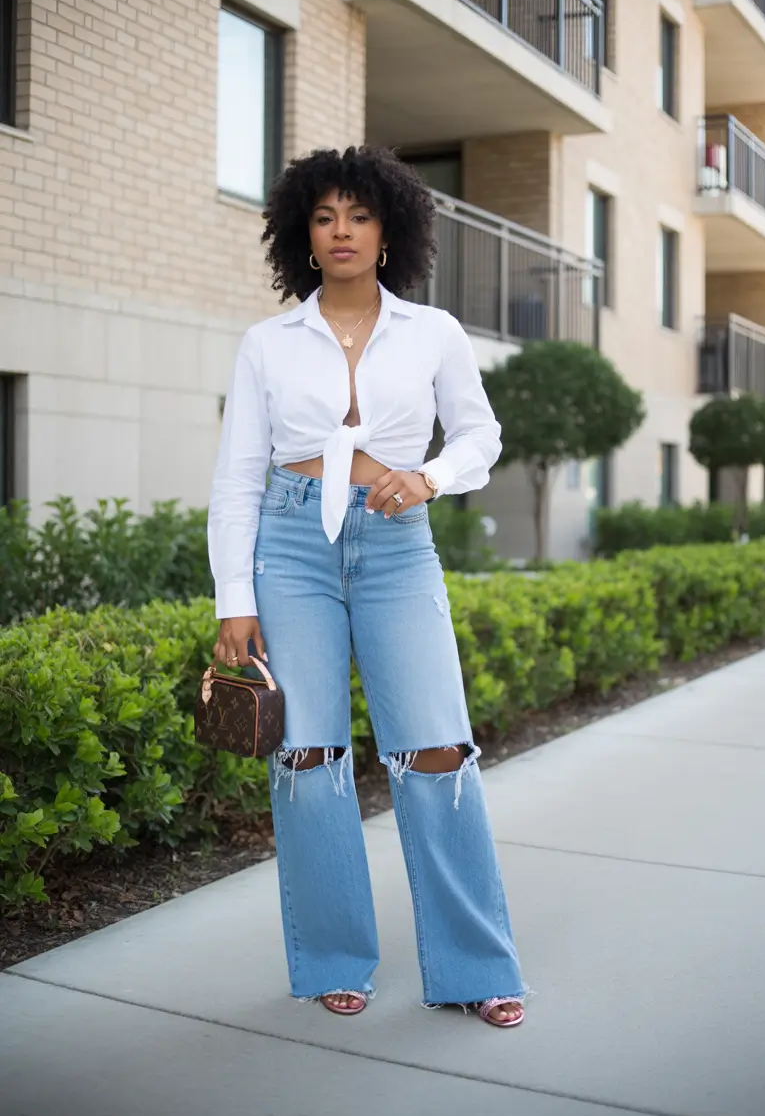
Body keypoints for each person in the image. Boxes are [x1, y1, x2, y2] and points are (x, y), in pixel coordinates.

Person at [207, 146, 526, 1027]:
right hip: (289, 548)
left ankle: (474, 967)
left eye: (358, 215)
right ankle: (333, 961)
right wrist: (234, 596)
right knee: (308, 759)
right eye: (324, 217)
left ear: (390, 232)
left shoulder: (434, 332)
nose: (341, 231)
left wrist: (429, 477)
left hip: (396, 546)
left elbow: (481, 436)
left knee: (438, 750)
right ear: (301, 235)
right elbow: (237, 475)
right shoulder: (267, 344)